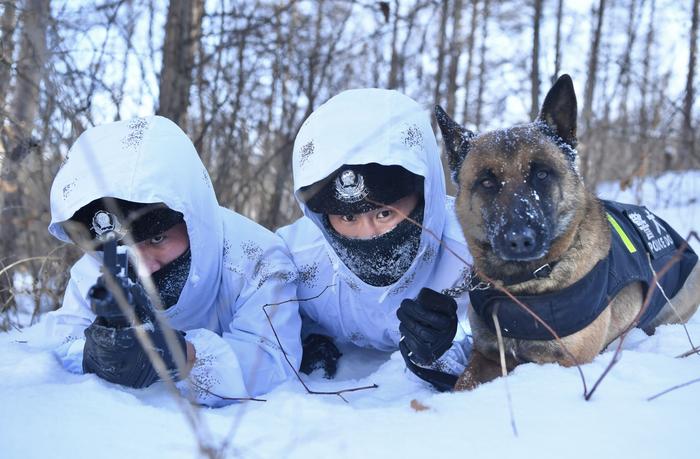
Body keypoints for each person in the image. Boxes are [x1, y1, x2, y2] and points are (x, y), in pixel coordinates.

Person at [43, 116, 302, 406]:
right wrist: (95, 352)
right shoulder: (98, 267)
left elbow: (272, 363)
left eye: (157, 240)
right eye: (123, 247)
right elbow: (62, 342)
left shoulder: (257, 259)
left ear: (192, 218)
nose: (142, 265)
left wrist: (182, 355)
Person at [276, 89, 473, 391]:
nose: (369, 235)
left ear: (425, 196)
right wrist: (302, 336)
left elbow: (522, 343)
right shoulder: (295, 259)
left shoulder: (471, 254)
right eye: (348, 218)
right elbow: (250, 323)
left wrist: (452, 350)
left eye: (384, 213)